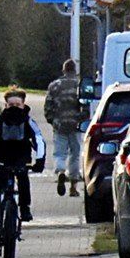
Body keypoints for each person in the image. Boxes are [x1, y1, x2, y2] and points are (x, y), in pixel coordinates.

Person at [0, 87, 47, 256]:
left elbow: (39, 140)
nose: (14, 107)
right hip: (1, 160)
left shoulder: (29, 122)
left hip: (21, 159)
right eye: (11, 104)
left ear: (24, 105)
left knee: (23, 179)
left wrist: (40, 161)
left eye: (18, 104)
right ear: (5, 105)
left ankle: (25, 207)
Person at [44, 59, 87, 196]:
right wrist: (82, 119)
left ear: (63, 70)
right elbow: (86, 106)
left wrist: (52, 120)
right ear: (75, 71)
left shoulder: (54, 86)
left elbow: (48, 106)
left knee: (59, 153)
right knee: (75, 154)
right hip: (75, 124)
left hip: (59, 124)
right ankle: (73, 187)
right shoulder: (79, 85)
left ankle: (61, 171)